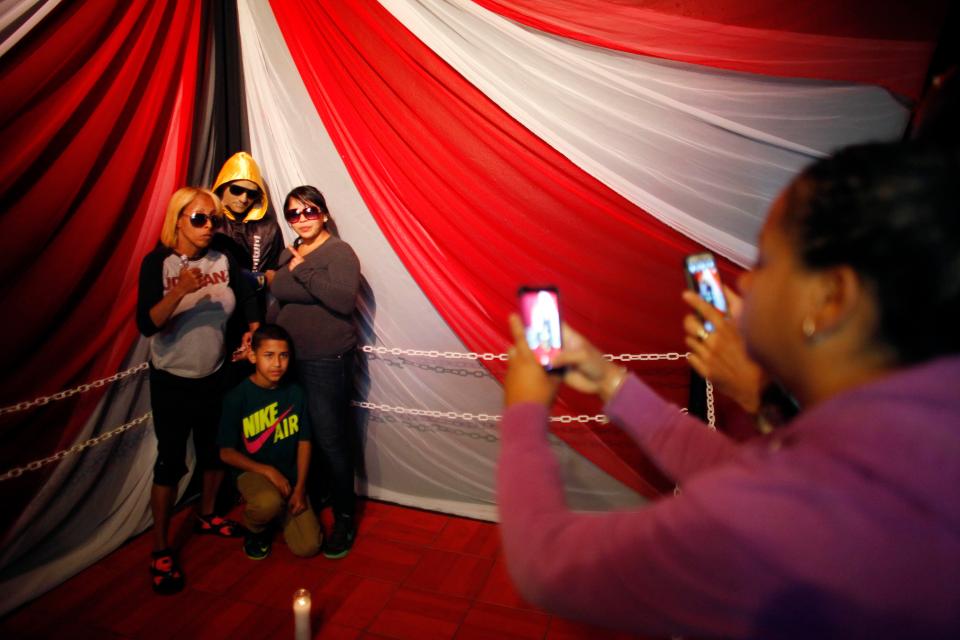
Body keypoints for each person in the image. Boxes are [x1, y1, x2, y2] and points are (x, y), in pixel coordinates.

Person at [498, 143, 960, 638]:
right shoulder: (913, 437)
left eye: (764, 259)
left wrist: (524, 409)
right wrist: (611, 382)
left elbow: (548, 564)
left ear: (830, 299)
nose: (746, 281)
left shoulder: (782, 521)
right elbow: (747, 471)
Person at [136, 187, 260, 594]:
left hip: (216, 373)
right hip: (172, 379)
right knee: (170, 462)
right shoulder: (158, 262)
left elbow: (242, 300)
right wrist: (178, 290)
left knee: (213, 451)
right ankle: (160, 547)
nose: (210, 227)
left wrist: (250, 329)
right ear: (178, 220)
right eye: (200, 219)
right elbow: (147, 325)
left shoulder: (222, 258)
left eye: (214, 219)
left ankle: (207, 513)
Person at [268, 185, 362, 559]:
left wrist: (302, 271)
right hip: (288, 361)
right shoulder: (288, 251)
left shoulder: (339, 252)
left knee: (331, 439)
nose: (302, 219)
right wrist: (263, 335)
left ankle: (344, 516)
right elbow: (278, 299)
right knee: (302, 435)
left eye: (309, 211)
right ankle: (316, 493)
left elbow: (342, 300)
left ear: (323, 214)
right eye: (294, 213)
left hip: (325, 360)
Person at [219, 324, 321, 560]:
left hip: (290, 476)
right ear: (253, 356)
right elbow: (225, 452)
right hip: (253, 473)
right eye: (269, 355)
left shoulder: (295, 392)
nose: (277, 364)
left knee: (308, 546)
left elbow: (304, 442)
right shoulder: (238, 397)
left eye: (283, 356)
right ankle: (255, 527)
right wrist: (267, 471)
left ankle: (277, 512)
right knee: (267, 503)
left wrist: (300, 488)